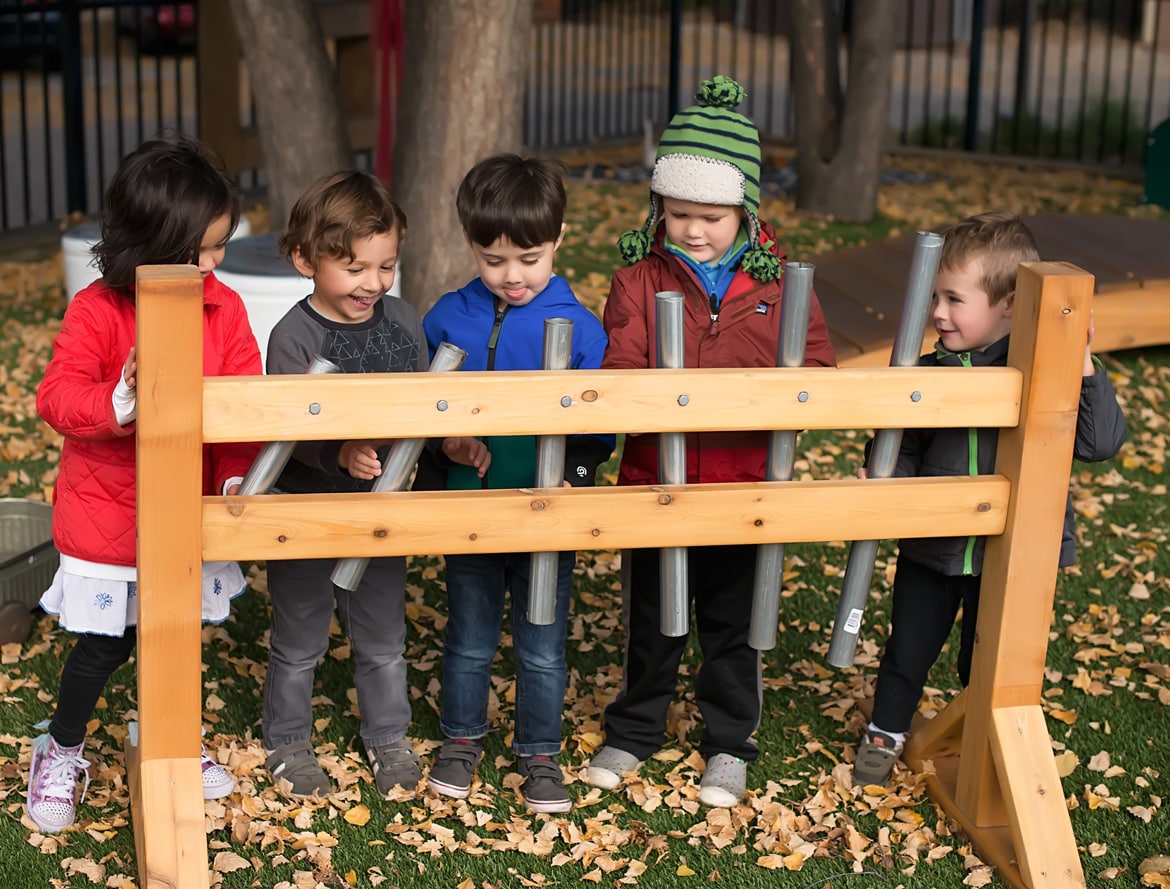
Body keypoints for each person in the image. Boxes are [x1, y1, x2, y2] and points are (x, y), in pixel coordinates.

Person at [582, 75, 837, 808]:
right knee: (651, 622)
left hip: (742, 484)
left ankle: (730, 740)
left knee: (732, 621)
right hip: (656, 483)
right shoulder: (636, 276)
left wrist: (766, 397)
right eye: (678, 212)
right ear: (658, 207)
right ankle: (635, 727)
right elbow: (622, 366)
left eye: (712, 216)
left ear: (746, 212)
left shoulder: (781, 286)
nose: (693, 230)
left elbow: (812, 370)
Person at [29, 134, 261, 834]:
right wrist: (120, 397)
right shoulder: (98, 310)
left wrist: (236, 473)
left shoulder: (224, 308)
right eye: (204, 249)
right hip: (112, 519)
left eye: (222, 245)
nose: (216, 264)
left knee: (175, 636)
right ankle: (60, 748)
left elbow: (239, 401)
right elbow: (57, 398)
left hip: (183, 515)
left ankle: (170, 739)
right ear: (152, 243)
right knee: (106, 644)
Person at [851, 210, 1127, 786]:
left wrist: (1079, 363)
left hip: (1011, 556)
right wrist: (885, 480)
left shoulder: (1045, 371)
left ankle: (985, 737)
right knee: (908, 648)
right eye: (934, 297)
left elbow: (1099, 445)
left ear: (1006, 303)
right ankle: (886, 733)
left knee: (989, 662)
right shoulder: (930, 372)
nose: (937, 313)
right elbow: (902, 448)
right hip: (934, 545)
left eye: (954, 299)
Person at [417, 153, 613, 814]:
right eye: (492, 258)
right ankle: (461, 739)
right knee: (469, 638)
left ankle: (540, 751)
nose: (512, 275)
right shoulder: (447, 318)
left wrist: (569, 474)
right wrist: (447, 442)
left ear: (557, 239)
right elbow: (426, 410)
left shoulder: (583, 332)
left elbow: (597, 432)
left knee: (541, 646)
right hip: (471, 510)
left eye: (528, 257)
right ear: (471, 244)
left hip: (544, 517)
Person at [261, 171, 428, 799]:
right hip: (307, 509)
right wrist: (340, 449)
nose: (373, 284)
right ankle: (287, 740)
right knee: (300, 633)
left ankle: (388, 737)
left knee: (383, 636)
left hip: (380, 511)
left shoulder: (404, 321)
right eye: (354, 268)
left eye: (386, 267)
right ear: (306, 259)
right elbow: (285, 427)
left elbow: (423, 405)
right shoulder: (294, 336)